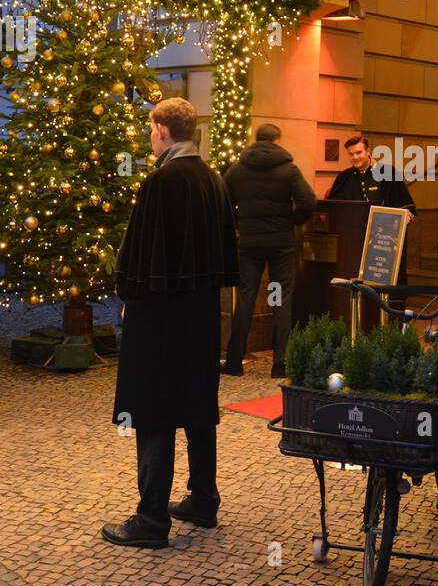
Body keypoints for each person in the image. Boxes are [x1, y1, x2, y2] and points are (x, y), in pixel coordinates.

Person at [103, 97, 239, 549]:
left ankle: (151, 519)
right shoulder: (213, 179)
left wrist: (130, 300)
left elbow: (139, 259)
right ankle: (203, 501)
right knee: (198, 407)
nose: (149, 135)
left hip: (160, 317)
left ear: (163, 129)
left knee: (153, 411)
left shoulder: (161, 182)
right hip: (200, 315)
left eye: (150, 128)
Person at [223, 124, 317, 378]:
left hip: (250, 244)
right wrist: (293, 221)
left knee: (245, 298)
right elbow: (309, 201)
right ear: (277, 140)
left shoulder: (237, 170)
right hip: (281, 245)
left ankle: (233, 361)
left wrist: (238, 224)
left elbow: (222, 203)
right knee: (280, 299)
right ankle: (280, 363)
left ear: (256, 139)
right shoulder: (288, 169)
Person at [324, 135, 416, 217]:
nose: (355, 157)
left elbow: (406, 207)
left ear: (368, 151)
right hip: (353, 230)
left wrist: (407, 217)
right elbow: (331, 207)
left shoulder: (388, 172)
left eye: (359, 152)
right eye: (351, 154)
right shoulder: (344, 177)